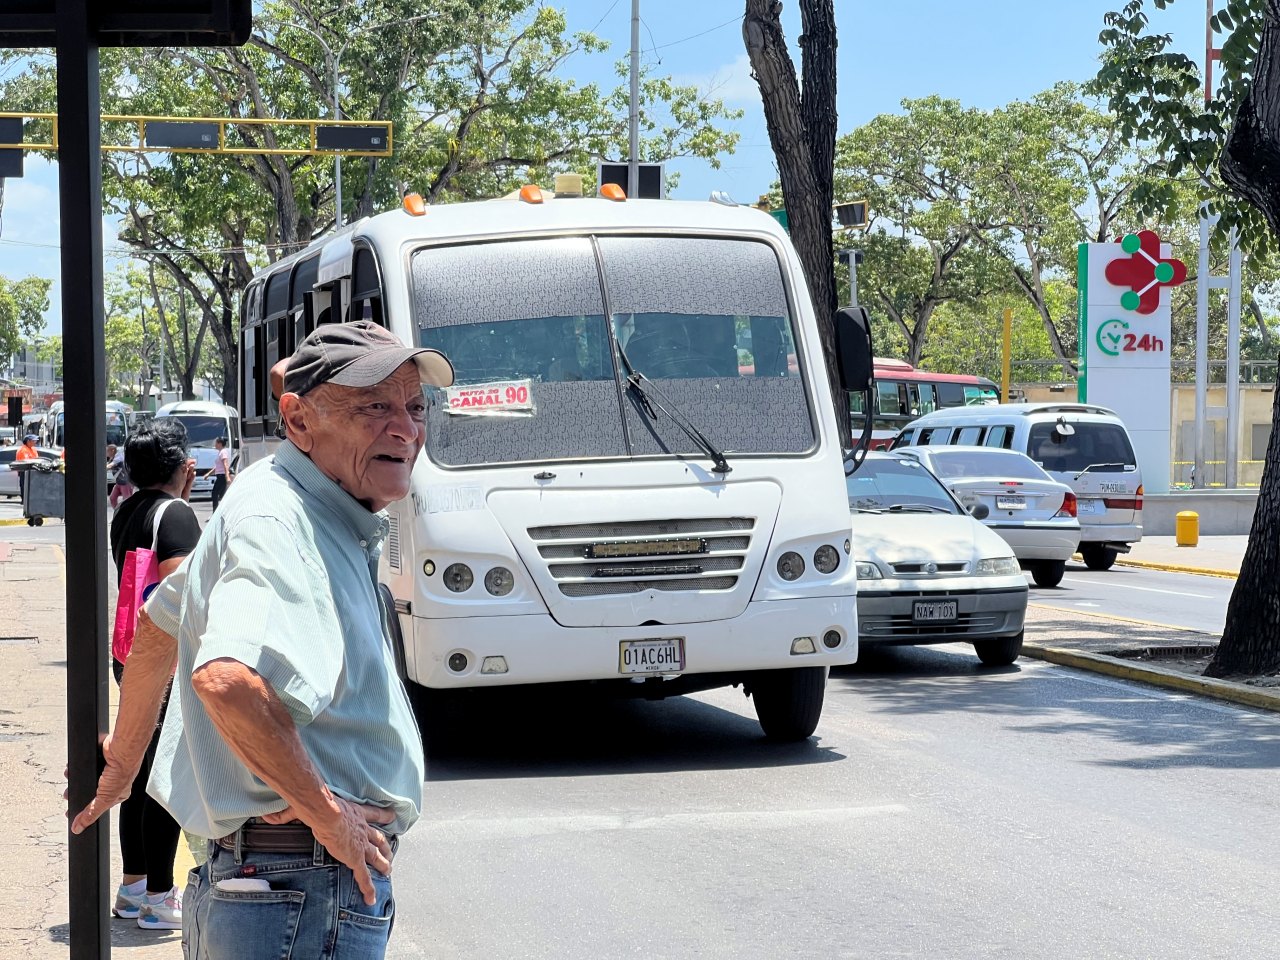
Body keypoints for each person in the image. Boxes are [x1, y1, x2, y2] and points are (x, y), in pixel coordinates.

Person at [73, 321, 453, 959]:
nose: (406, 429)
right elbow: (225, 678)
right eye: (375, 407)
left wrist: (124, 764)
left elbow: (161, 622)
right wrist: (327, 815)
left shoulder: (290, 503)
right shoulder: (281, 520)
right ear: (299, 421)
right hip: (299, 891)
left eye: (414, 407)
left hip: (282, 890)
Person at [107, 418, 201, 929]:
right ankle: (163, 897)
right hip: (164, 660)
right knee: (163, 773)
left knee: (140, 769)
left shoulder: (127, 511)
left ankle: (135, 885)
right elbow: (177, 596)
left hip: (131, 656)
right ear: (180, 464)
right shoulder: (178, 515)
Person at [202, 436, 232, 510]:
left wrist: (227, 476)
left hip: (222, 476)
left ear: (220, 443)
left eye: (216, 443)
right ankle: (221, 511)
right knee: (221, 495)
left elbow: (225, 465)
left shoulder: (223, 452)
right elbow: (217, 467)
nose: (215, 445)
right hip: (219, 476)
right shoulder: (220, 452)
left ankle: (216, 512)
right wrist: (208, 474)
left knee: (215, 494)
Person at [108, 442, 135, 508]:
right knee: (112, 498)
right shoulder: (112, 457)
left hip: (125, 483)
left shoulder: (119, 456)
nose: (106, 453)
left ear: (113, 450)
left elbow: (111, 465)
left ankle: (129, 515)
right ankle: (117, 513)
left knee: (127, 500)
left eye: (107, 451)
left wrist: (100, 469)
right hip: (119, 482)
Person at [15, 433, 40, 500]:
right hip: (25, 471)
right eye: (34, 440)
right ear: (28, 441)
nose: (35, 442)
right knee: (25, 487)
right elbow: (26, 462)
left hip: (33, 471)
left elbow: (37, 459)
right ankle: (25, 500)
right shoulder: (23, 450)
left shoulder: (33, 449)